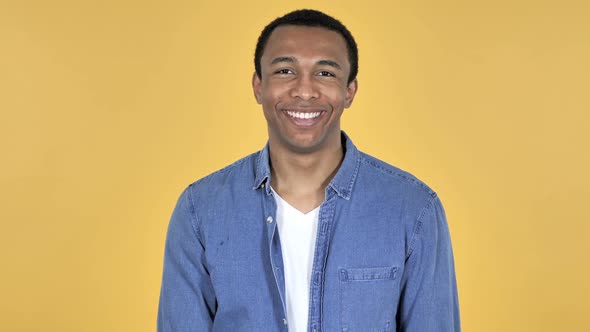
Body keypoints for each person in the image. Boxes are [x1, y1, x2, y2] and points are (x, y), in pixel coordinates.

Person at [158, 9, 460, 332]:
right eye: (286, 70)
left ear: (350, 91)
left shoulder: (414, 210)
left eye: (325, 73)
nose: (304, 91)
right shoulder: (199, 211)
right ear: (258, 86)